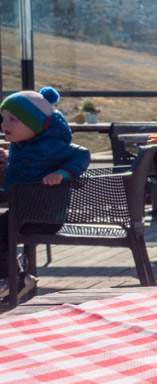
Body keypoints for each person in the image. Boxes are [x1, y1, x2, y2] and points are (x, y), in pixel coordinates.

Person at [0, 87, 91, 293]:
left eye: (13, 119)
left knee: (2, 232)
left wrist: (62, 173)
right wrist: (5, 164)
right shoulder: (20, 147)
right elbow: (18, 177)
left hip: (46, 216)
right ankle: (16, 276)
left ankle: (13, 278)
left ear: (36, 124)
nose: (5, 124)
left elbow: (82, 155)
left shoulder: (52, 145)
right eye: (3, 118)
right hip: (23, 211)